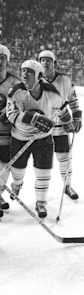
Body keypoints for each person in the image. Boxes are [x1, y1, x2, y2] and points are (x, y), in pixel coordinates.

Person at [6, 60, 71, 218]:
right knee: (17, 171)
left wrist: (67, 121)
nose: (24, 74)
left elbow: (62, 108)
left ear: (39, 75)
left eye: (29, 71)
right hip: (20, 137)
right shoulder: (16, 92)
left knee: (43, 171)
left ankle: (41, 202)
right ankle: (17, 184)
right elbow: (11, 115)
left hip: (43, 139)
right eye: (23, 71)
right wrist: (32, 118)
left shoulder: (51, 93)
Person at [39, 50, 82, 200]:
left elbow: (73, 100)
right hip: (41, 129)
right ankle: (40, 195)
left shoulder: (64, 80)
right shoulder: (35, 81)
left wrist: (77, 117)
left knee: (64, 158)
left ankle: (67, 186)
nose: (45, 63)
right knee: (41, 162)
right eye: (42, 60)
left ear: (54, 63)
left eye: (48, 60)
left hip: (61, 128)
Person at [0, 44, 20, 218]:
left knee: (4, 165)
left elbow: (23, 104)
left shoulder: (15, 82)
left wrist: (11, 113)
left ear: (7, 60)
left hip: (7, 133)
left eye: (2, 58)